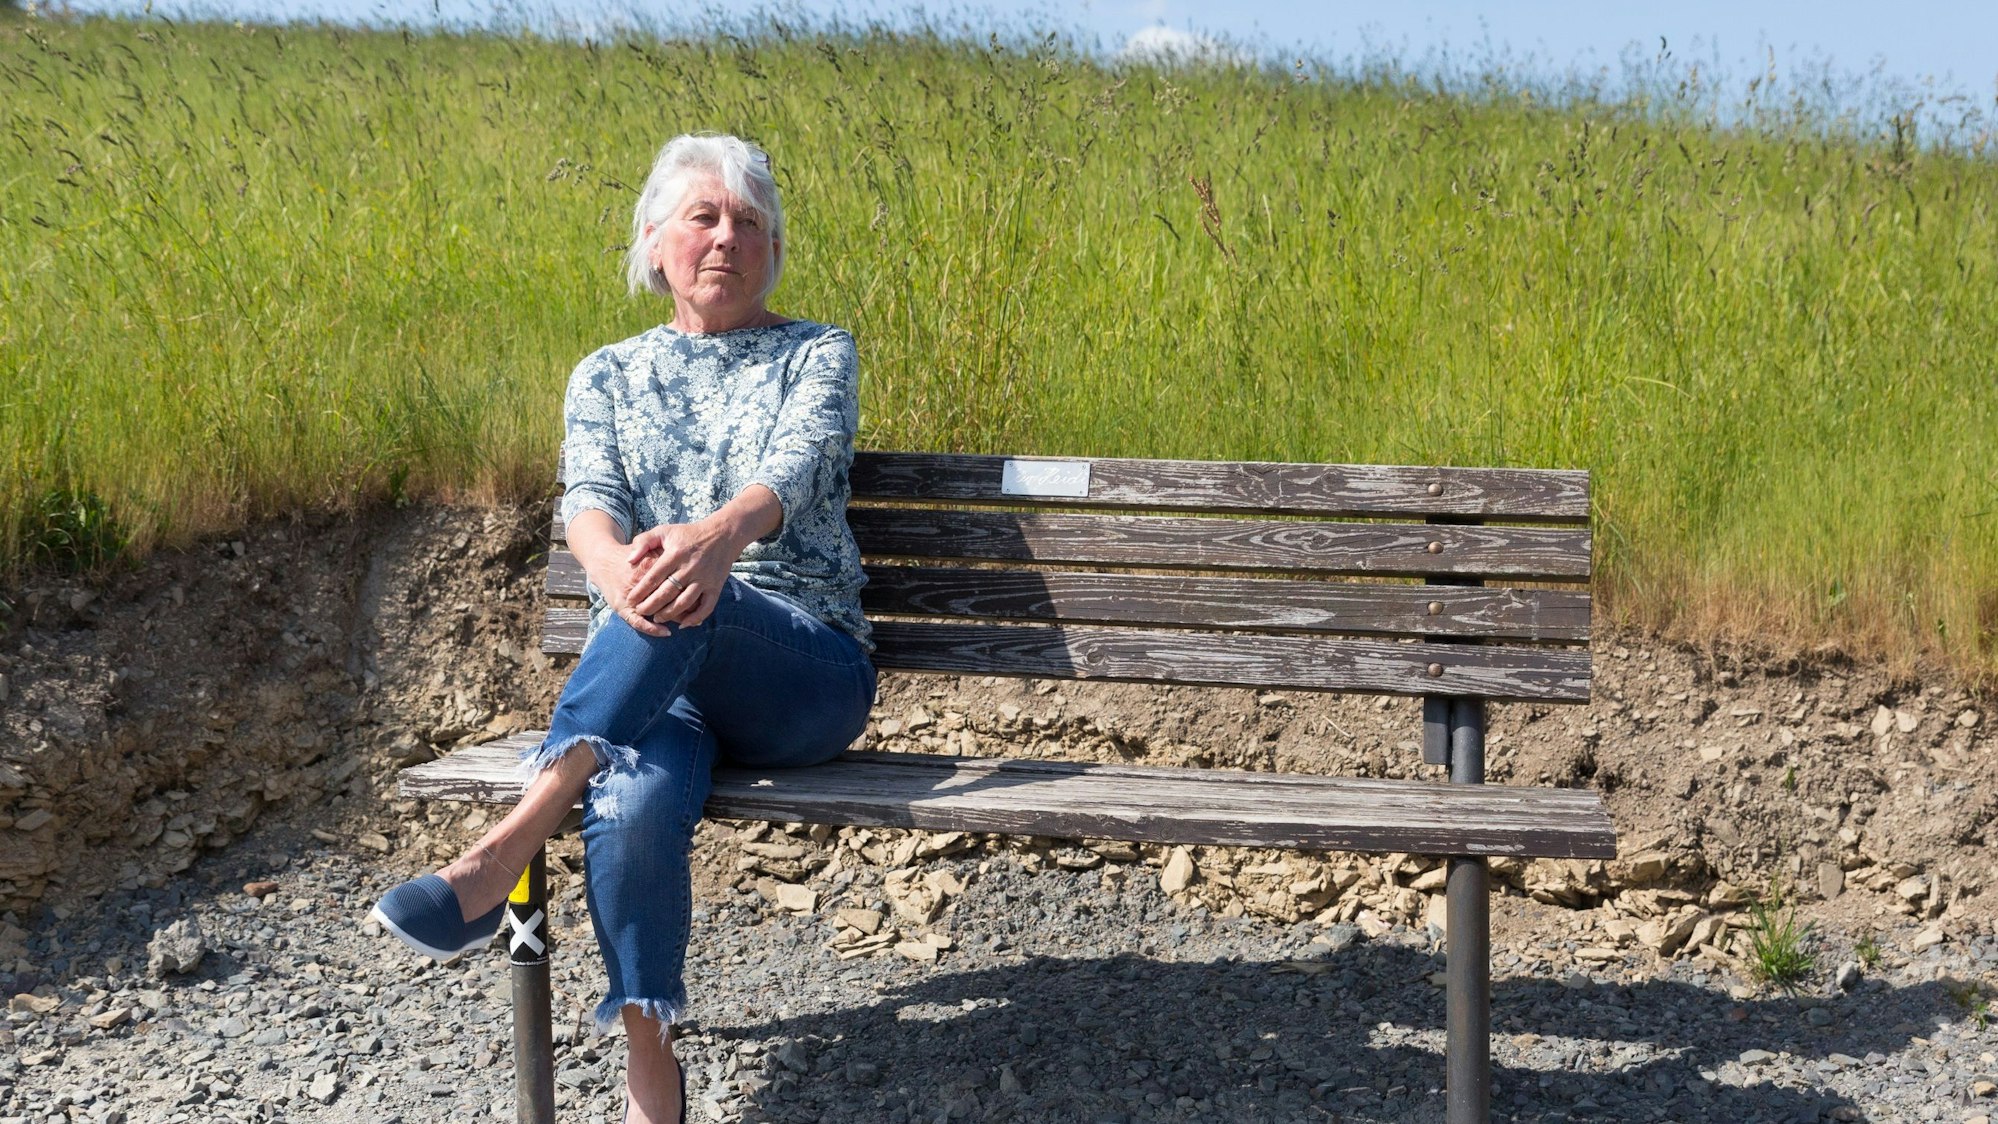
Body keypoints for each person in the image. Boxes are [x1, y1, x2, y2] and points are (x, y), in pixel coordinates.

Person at [371, 133, 876, 1124]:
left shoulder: (816, 350)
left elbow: (798, 466)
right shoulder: (606, 373)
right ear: (654, 243)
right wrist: (618, 576)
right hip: (662, 675)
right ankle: (651, 1059)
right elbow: (590, 506)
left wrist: (722, 536)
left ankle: (510, 840)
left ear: (773, 250)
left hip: (801, 670)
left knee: (693, 589)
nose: (727, 237)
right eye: (704, 216)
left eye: (750, 223)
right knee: (636, 796)